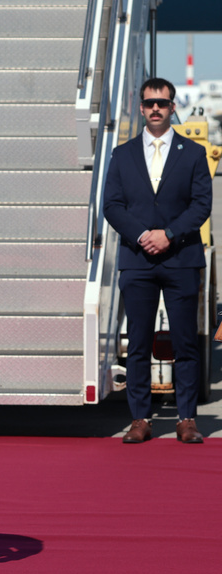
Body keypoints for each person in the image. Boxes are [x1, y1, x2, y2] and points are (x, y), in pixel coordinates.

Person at [103, 77, 213, 444]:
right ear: (140, 106)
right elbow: (112, 206)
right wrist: (141, 235)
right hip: (137, 260)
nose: (155, 109)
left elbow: (201, 205)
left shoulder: (194, 153)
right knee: (138, 342)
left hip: (181, 257)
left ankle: (186, 419)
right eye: (149, 102)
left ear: (172, 107)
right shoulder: (122, 154)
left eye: (162, 103)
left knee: (184, 342)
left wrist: (168, 234)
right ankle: (140, 419)